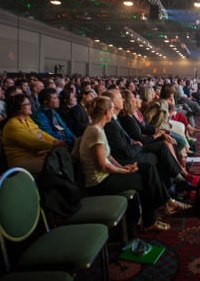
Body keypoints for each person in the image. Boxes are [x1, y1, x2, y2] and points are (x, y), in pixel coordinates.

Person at [73, 95, 190, 233]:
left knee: (147, 168)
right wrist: (124, 171)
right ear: (106, 112)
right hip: (100, 183)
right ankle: (155, 216)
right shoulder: (95, 132)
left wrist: (122, 167)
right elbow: (102, 166)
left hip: (107, 175)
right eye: (111, 110)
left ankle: (166, 204)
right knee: (145, 180)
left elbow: (108, 156)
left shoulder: (98, 128)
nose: (113, 113)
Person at [1, 94, 68, 174]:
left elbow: (40, 133)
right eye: (27, 104)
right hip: (21, 161)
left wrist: (55, 141)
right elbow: (32, 142)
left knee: (61, 158)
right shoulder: (12, 124)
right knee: (55, 163)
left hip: (35, 155)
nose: (30, 106)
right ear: (18, 107)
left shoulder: (28, 119)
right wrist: (53, 145)